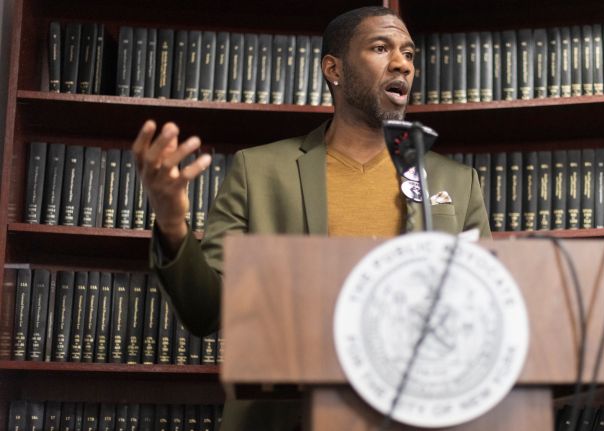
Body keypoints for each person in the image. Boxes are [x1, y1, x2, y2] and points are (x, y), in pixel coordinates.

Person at [131, 6, 490, 429]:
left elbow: (482, 313)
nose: (402, 64)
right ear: (334, 69)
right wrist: (173, 225)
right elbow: (206, 311)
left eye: (409, 54)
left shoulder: (456, 180)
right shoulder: (259, 171)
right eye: (381, 48)